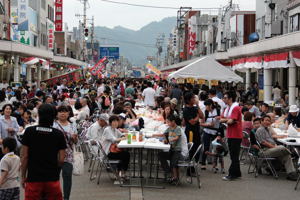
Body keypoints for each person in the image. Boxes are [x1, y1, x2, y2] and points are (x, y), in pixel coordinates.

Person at [21, 104, 67, 200]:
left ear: (39, 115)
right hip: (52, 179)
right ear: (54, 116)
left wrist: (23, 176)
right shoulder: (58, 134)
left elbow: (24, 156)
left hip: (33, 178)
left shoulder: (29, 131)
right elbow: (62, 159)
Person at [255, 115, 298, 181]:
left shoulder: (267, 129)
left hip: (272, 150)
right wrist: (274, 147)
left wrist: (281, 137)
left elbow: (273, 136)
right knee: (282, 147)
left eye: (269, 121)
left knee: (287, 155)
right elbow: (263, 142)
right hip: (265, 151)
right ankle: (295, 155)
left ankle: (291, 174)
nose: (267, 122)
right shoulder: (260, 130)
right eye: (266, 120)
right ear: (262, 121)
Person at [53, 106, 78, 200]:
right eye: (60, 111)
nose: (62, 113)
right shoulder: (53, 125)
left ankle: (66, 197)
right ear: (57, 113)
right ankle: (56, 196)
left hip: (68, 155)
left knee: (67, 176)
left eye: (65, 112)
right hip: (55, 155)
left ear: (68, 114)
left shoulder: (72, 125)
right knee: (54, 177)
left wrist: (74, 138)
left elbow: (76, 141)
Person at [218, 91, 242, 181]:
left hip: (235, 134)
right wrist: (227, 120)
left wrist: (226, 120)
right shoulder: (228, 108)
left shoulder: (235, 108)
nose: (223, 99)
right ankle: (237, 172)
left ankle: (232, 174)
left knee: (234, 155)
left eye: (225, 97)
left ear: (230, 98)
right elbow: (222, 119)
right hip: (231, 133)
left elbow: (231, 121)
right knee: (233, 154)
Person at [102, 115, 130, 179]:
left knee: (125, 153)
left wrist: (125, 135)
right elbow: (114, 140)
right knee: (125, 154)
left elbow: (121, 135)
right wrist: (124, 138)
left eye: (117, 121)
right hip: (108, 152)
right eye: (113, 121)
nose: (115, 123)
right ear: (110, 123)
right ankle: (122, 173)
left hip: (114, 150)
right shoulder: (107, 129)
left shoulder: (115, 129)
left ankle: (120, 172)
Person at [183, 92, 204, 174]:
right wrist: (197, 117)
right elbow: (192, 122)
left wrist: (198, 106)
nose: (194, 100)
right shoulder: (186, 110)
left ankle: (193, 166)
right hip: (190, 132)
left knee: (197, 149)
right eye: (193, 98)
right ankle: (189, 168)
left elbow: (202, 116)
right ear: (188, 100)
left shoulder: (195, 108)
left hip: (196, 131)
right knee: (190, 150)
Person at [200, 99, 222, 170]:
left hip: (216, 132)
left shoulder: (218, 111)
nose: (206, 107)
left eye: (207, 106)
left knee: (216, 148)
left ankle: (215, 164)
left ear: (211, 105)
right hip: (207, 131)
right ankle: (203, 163)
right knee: (205, 147)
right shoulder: (206, 112)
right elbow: (201, 123)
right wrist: (208, 125)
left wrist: (220, 118)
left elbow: (223, 119)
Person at [162, 115, 182, 184]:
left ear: (173, 121)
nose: (168, 124)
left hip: (177, 149)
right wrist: (166, 139)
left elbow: (177, 137)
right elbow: (164, 133)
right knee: (162, 156)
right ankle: (170, 174)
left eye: (169, 122)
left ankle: (175, 178)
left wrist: (171, 139)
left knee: (174, 163)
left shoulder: (178, 128)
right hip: (171, 148)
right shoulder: (169, 128)